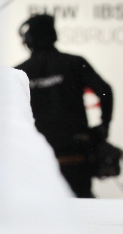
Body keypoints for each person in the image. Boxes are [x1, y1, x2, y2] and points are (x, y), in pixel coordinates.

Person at [15, 14, 116, 198]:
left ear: (28, 40)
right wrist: (103, 127)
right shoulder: (75, 63)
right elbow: (105, 91)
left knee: (41, 207)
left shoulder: (19, 73)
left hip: (37, 154)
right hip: (75, 150)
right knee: (83, 204)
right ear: (53, 35)